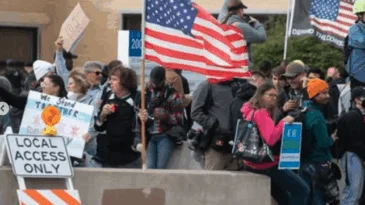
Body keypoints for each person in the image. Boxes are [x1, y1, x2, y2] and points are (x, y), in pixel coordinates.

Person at [241, 83, 310, 205]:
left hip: (252, 161)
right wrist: (284, 121)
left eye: (275, 96)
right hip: (266, 163)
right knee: (302, 190)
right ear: (260, 95)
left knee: (283, 197)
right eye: (270, 95)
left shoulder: (250, 110)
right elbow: (271, 138)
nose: (273, 98)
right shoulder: (261, 113)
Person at [91, 65, 141, 168]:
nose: (110, 83)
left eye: (114, 79)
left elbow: (143, 123)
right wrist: (102, 115)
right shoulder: (108, 96)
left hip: (129, 156)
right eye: (110, 79)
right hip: (108, 155)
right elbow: (99, 127)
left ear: (125, 82)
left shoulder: (137, 97)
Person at [299, 78, 339, 205]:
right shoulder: (317, 116)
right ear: (315, 95)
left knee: (307, 196)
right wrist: (331, 139)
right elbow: (323, 143)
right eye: (324, 93)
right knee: (318, 198)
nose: (328, 96)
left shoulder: (305, 111)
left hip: (304, 162)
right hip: (318, 163)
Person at [138, 66, 184, 169]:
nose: (154, 84)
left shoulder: (172, 94)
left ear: (163, 80)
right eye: (152, 81)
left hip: (165, 135)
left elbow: (179, 119)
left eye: (157, 82)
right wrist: (142, 117)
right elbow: (138, 112)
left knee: (160, 168)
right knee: (149, 167)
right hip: (149, 135)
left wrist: (164, 116)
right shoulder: (146, 94)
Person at [218, 0, 266, 69]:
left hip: (227, 66)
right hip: (241, 70)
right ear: (240, 10)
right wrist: (256, 23)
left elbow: (226, 5)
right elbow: (262, 37)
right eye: (242, 9)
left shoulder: (221, 23)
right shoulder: (241, 27)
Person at [337, 87, 365, 205]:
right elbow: (355, 142)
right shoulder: (352, 116)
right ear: (357, 100)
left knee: (355, 192)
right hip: (352, 156)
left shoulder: (356, 115)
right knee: (353, 192)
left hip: (353, 155)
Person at [67, 71, 96, 156]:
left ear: (79, 85)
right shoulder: (67, 101)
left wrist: (89, 134)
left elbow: (94, 125)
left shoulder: (91, 102)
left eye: (71, 84)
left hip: (86, 148)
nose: (68, 86)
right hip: (69, 145)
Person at [0, 74, 67, 110]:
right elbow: (14, 100)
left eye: (46, 84)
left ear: (56, 88)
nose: (42, 86)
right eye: (42, 83)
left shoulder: (67, 104)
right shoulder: (35, 99)